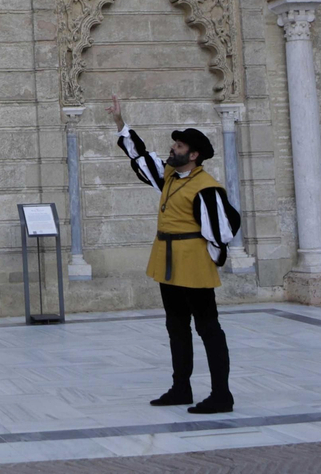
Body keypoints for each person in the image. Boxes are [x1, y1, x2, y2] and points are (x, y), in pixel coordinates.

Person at [108, 94, 241, 414]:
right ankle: (181, 387)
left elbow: (223, 229)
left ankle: (222, 394)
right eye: (174, 145)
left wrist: (211, 257)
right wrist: (119, 121)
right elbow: (141, 156)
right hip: (167, 262)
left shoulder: (206, 186)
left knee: (208, 327)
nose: (173, 149)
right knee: (176, 326)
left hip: (194, 263)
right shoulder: (169, 175)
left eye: (180, 147)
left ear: (194, 155)